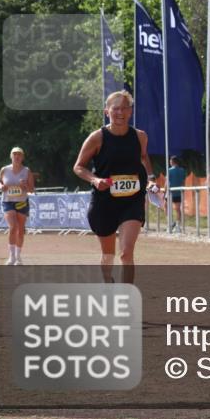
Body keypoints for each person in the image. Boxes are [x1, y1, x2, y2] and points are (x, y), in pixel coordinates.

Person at [73, 90, 158, 283]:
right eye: (115, 108)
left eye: (124, 108)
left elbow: (144, 158)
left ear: (130, 112)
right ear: (107, 111)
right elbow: (78, 167)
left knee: (126, 253)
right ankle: (107, 281)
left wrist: (151, 179)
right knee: (108, 255)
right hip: (105, 201)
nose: (120, 112)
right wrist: (95, 180)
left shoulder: (140, 137)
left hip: (132, 200)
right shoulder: (97, 137)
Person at [0, 146, 34, 265]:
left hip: (22, 202)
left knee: (20, 229)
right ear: (11, 156)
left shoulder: (27, 171)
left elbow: (32, 190)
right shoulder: (4, 170)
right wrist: (1, 187)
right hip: (7, 201)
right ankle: (11, 257)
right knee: (13, 227)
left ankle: (18, 256)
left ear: (22, 157)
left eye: (19, 155)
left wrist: (26, 186)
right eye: (14, 154)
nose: (17, 157)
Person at [167, 156, 187, 233]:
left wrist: (165, 191)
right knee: (178, 209)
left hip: (170, 192)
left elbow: (167, 182)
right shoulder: (182, 170)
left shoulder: (169, 170)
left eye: (170, 161)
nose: (169, 162)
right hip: (179, 192)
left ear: (173, 162)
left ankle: (171, 223)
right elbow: (183, 182)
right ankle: (178, 225)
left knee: (167, 207)